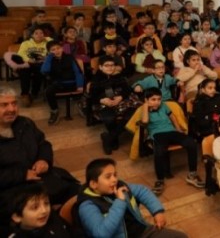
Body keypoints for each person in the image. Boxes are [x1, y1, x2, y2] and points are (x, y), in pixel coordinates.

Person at [0, 87, 79, 230]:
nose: (11, 109)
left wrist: (44, 160)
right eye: (4, 105)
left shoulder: (25, 123)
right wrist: (22, 175)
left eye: (14, 103)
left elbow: (43, 144)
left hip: (41, 178)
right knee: (39, 215)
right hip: (12, 189)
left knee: (79, 193)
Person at [76, 157, 187, 238]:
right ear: (94, 184)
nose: (114, 180)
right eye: (108, 177)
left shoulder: (120, 186)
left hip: (142, 231)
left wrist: (157, 211)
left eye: (115, 175)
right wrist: (120, 201)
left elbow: (142, 191)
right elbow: (102, 234)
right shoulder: (87, 206)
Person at [140, 88, 204, 195]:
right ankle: (160, 180)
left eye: (159, 99)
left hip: (171, 131)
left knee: (191, 143)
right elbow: (145, 121)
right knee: (159, 151)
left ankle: (192, 174)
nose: (157, 102)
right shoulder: (144, 109)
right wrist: (146, 106)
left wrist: (178, 129)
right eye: (153, 99)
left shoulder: (164, 106)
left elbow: (172, 116)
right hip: (157, 134)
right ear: (146, 100)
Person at [88, 56, 138, 155]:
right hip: (104, 104)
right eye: (107, 65)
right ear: (101, 67)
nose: (110, 68)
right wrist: (102, 100)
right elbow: (92, 96)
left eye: (112, 65)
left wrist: (120, 97)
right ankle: (114, 138)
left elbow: (127, 90)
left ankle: (109, 137)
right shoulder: (95, 79)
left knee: (132, 115)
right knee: (109, 118)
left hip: (121, 102)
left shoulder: (119, 76)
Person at [40, 40, 84, 125]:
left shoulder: (69, 57)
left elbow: (78, 72)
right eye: (53, 50)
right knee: (48, 91)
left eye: (58, 48)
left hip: (72, 83)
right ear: (49, 52)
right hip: (59, 84)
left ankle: (82, 104)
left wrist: (80, 85)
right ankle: (54, 110)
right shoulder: (50, 59)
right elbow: (44, 71)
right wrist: (49, 58)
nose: (56, 51)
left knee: (87, 85)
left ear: (62, 48)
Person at [13, 26, 51, 108]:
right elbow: (21, 54)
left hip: (41, 63)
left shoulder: (48, 41)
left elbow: (53, 48)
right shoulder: (26, 43)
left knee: (40, 71)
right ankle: (25, 94)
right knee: (24, 71)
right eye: (36, 33)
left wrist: (45, 58)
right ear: (32, 35)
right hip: (28, 63)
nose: (39, 35)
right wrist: (29, 60)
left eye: (41, 33)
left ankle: (34, 93)